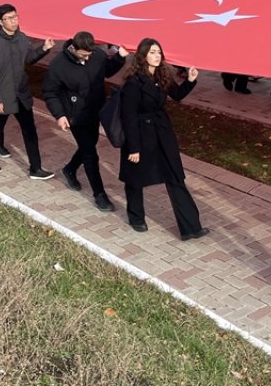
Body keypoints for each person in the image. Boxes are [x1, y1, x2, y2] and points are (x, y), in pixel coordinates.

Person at [119, 38, 206, 239]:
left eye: (159, 52)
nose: (157, 56)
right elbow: (128, 117)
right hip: (140, 135)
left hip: (162, 133)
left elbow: (176, 95)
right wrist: (133, 148)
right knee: (135, 178)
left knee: (175, 176)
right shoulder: (133, 82)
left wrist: (190, 80)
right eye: (152, 52)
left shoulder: (162, 74)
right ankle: (136, 217)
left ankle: (191, 227)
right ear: (142, 56)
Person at [43, 31, 129, 211]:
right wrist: (60, 115)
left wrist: (120, 58)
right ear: (73, 48)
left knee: (89, 145)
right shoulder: (58, 65)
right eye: (84, 54)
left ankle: (69, 169)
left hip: (95, 110)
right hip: (75, 116)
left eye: (90, 54)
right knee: (90, 153)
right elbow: (50, 93)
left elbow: (106, 70)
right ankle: (99, 194)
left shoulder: (96, 55)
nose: (88, 57)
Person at [0, 3, 55, 177]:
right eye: (9, 19)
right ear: (0, 21)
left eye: (15, 17)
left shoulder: (21, 38)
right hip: (2, 96)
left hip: (21, 95)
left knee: (30, 131)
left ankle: (35, 168)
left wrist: (44, 49)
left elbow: (28, 59)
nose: (14, 21)